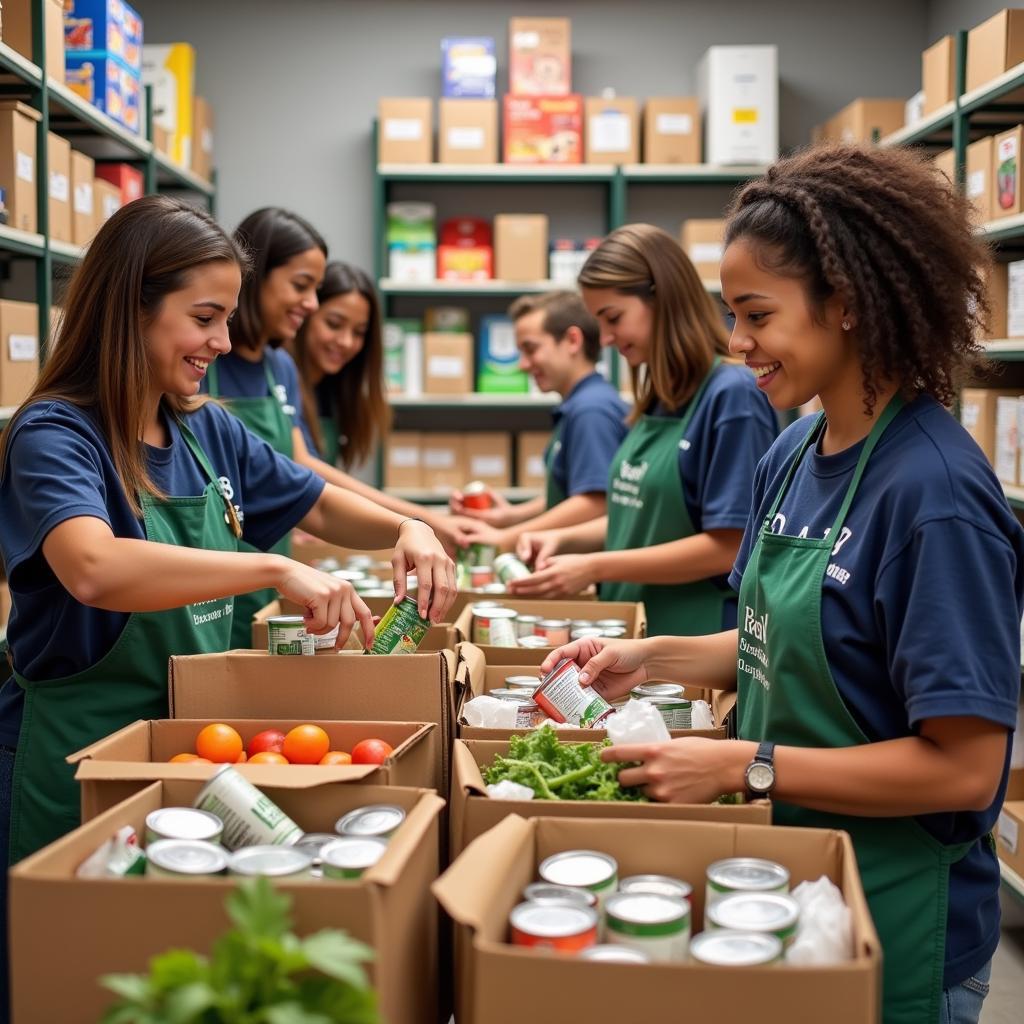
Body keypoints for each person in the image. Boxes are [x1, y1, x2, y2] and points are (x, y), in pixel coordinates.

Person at [540, 145, 1023, 1024]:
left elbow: (964, 767)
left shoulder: (935, 498)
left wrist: (742, 764)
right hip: (782, 891)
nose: (736, 342)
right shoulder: (792, 452)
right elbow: (781, 639)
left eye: (756, 314)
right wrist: (650, 657)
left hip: (897, 921)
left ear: (848, 306)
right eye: (731, 314)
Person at [0, 195, 454, 886]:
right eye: (204, 319)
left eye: (227, 320)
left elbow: (321, 507)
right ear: (131, 310)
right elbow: (92, 566)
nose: (220, 342)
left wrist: (408, 526)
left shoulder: (205, 429)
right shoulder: (56, 435)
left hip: (188, 754)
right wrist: (271, 568)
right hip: (75, 763)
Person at [201, 208, 467, 646]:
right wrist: (414, 520)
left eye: (316, 289)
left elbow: (303, 474)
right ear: (254, 274)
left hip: (270, 569)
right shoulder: (204, 364)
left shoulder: (278, 366)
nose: (310, 303)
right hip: (212, 579)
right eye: (301, 286)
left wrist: (413, 523)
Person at [511, 225, 777, 637]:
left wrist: (596, 566)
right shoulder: (655, 397)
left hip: (690, 641)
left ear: (663, 297)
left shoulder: (732, 396)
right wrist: (563, 540)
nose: (609, 338)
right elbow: (637, 519)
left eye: (614, 318)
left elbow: (729, 546)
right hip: (634, 635)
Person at [451, 290, 629, 549]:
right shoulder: (581, 404)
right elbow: (571, 493)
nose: (523, 364)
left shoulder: (591, 410)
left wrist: (504, 540)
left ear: (572, 340)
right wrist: (513, 516)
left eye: (530, 349)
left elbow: (594, 502)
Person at [287, 261, 391, 470]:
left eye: (359, 332)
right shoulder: (281, 380)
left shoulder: (338, 391)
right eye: (334, 324)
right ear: (306, 316)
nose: (346, 342)